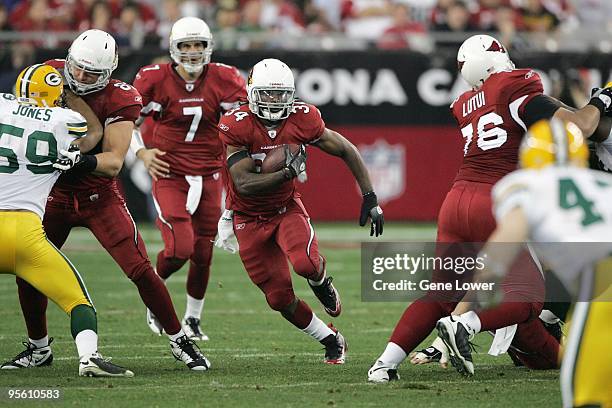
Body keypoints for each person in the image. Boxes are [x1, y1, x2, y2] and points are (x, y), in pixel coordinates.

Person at [368, 34, 612, 382]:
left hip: (456, 200)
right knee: (528, 297)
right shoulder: (516, 86)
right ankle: (465, 323)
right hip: (495, 200)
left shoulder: (465, 102)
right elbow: (578, 127)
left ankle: (383, 365)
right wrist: (600, 100)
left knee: (441, 294)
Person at [3, 29, 210, 372]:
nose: (82, 77)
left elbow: (113, 162)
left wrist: (78, 160)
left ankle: (179, 339)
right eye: (78, 69)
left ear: (109, 72)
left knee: (140, 269)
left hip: (97, 195)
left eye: (92, 73)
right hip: (50, 195)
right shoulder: (48, 74)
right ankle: (38, 349)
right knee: (28, 270)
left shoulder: (121, 97)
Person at [218, 58, 384, 364]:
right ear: (252, 93)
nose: (274, 101)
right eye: (267, 94)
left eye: (280, 95)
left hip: (284, 209)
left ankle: (321, 282)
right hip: (246, 216)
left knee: (306, 264)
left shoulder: (302, 117)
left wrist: (370, 196)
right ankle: (331, 339)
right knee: (278, 298)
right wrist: (285, 173)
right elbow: (242, 182)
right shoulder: (236, 123)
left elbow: (346, 148)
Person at [469, 118, 612, 408]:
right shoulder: (603, 183)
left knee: (587, 396)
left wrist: (481, 288)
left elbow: (506, 240)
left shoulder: (524, 184)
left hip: (602, 285)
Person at [0, 64, 132, 377]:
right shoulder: (65, 121)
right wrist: (68, 95)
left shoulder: (3, 106)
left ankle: (39, 348)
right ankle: (89, 358)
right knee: (78, 301)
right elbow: (94, 131)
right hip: (25, 235)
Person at [131, 16, 246, 340]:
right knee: (180, 248)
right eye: (186, 45)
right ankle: (156, 297)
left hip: (210, 173)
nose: (193, 51)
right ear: (173, 48)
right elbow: (125, 122)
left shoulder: (224, 77)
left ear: (208, 47)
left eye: (198, 45)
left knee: (203, 253)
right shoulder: (154, 78)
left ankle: (193, 319)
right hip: (171, 173)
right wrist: (141, 153)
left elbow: (243, 120)